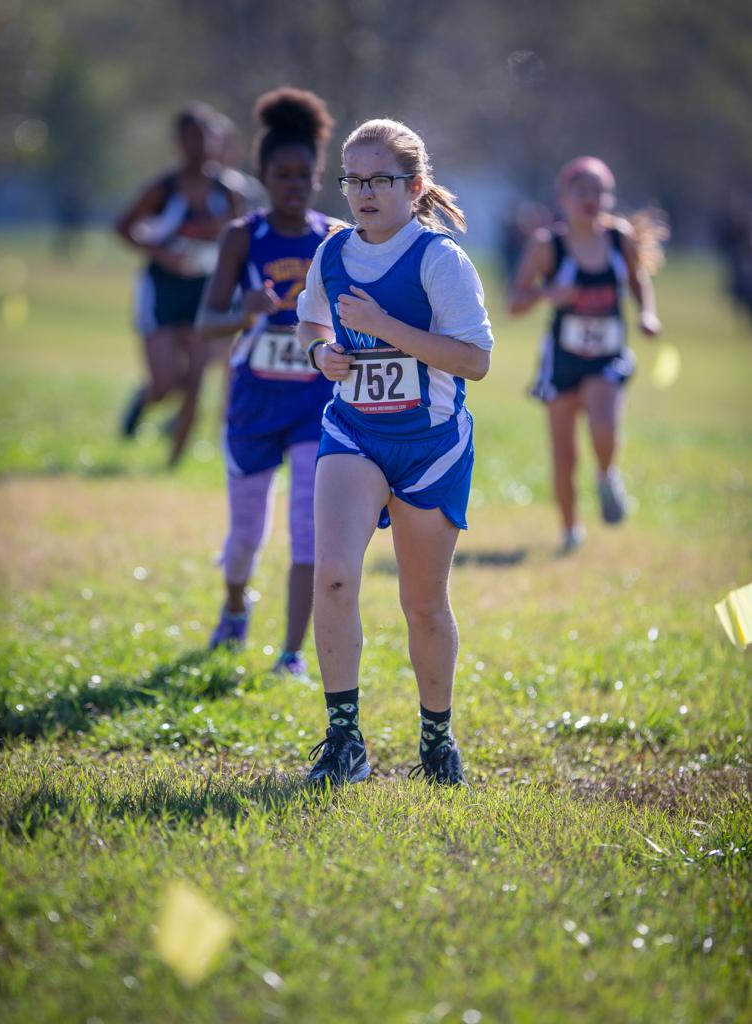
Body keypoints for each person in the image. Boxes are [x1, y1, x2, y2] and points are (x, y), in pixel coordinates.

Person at [296, 118, 494, 786]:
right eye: (353, 180)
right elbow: (310, 319)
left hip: (430, 446)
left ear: (413, 187)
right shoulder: (332, 252)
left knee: (423, 604)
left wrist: (387, 329)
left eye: (380, 180)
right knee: (333, 577)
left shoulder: (440, 259)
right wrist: (322, 351)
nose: (363, 194)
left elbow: (475, 361)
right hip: (353, 433)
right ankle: (344, 739)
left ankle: (437, 739)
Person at [196, 87, 337, 676]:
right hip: (253, 403)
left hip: (313, 403)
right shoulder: (242, 238)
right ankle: (234, 609)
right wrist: (246, 312)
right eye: (283, 174)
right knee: (246, 536)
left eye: (304, 174)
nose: (294, 184)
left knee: (308, 527)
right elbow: (206, 324)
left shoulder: (333, 237)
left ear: (318, 176)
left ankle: (292, 654)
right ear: (263, 175)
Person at [509, 156, 663, 553]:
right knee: (564, 454)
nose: (591, 199)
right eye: (582, 191)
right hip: (562, 358)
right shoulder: (548, 246)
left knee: (604, 425)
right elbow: (516, 301)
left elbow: (638, 280)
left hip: (607, 356)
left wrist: (647, 313)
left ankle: (608, 475)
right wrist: (548, 294)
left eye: (599, 191)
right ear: (564, 197)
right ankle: (570, 531)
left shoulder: (618, 239)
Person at [115, 103, 243, 466]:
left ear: (218, 142)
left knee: (197, 380)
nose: (201, 145)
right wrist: (161, 253)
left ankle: (172, 464)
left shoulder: (230, 191)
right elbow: (123, 227)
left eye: (207, 137)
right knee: (168, 382)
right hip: (162, 290)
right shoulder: (163, 188)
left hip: (206, 290)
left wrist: (222, 236)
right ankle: (146, 398)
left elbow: (245, 238)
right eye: (192, 137)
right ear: (180, 142)